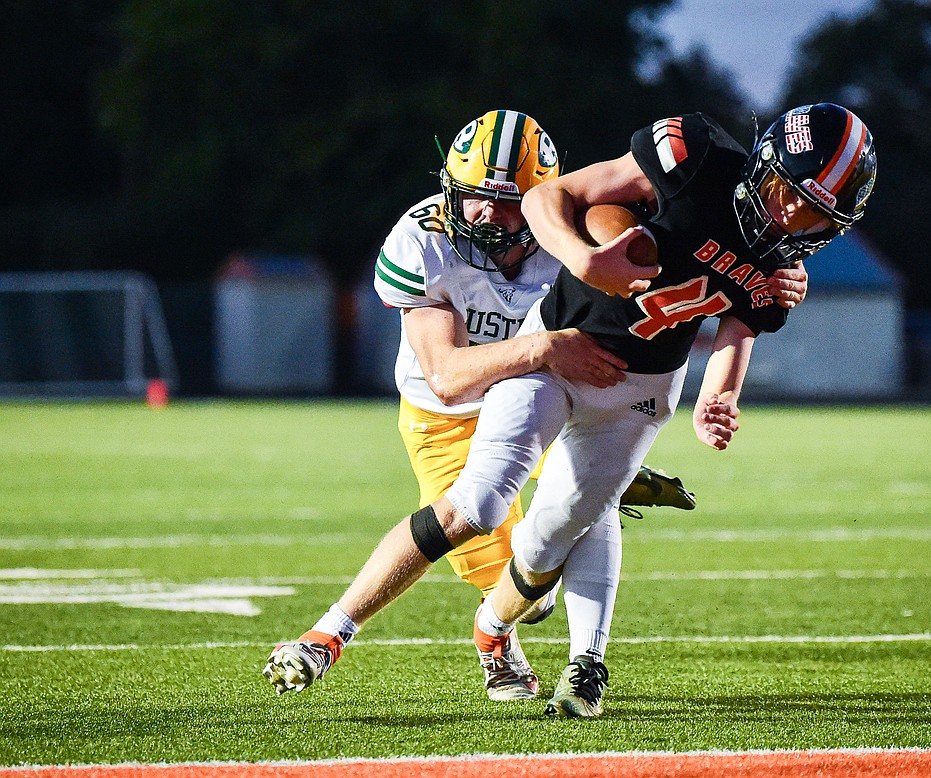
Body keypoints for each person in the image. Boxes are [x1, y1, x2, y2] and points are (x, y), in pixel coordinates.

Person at [261, 104, 844, 714]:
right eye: (474, 196)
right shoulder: (424, 241)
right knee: (502, 552)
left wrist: (739, 338)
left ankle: (573, 618)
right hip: (451, 411)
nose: (490, 214)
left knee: (574, 518)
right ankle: (344, 634)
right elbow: (449, 378)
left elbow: (706, 271)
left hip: (572, 380)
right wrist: (549, 337)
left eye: (512, 201)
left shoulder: (574, 227)